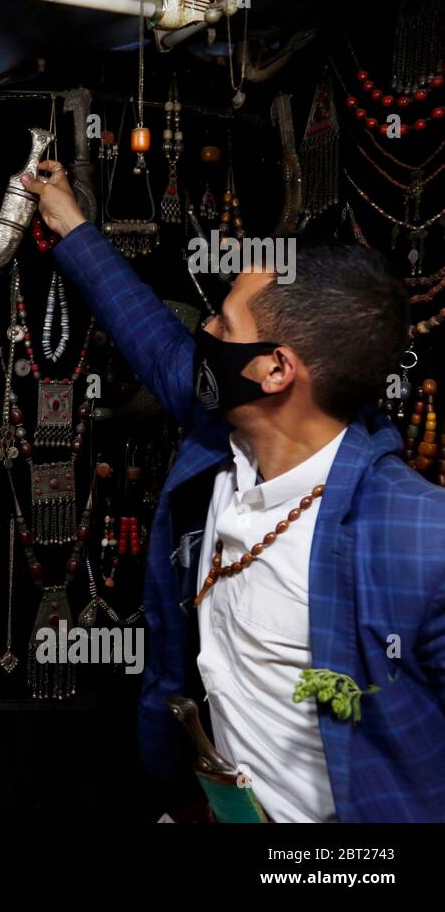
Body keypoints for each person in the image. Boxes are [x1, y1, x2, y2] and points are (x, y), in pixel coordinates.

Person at [22, 160, 445, 822]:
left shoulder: (419, 538)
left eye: (222, 324)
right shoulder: (224, 432)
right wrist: (69, 221)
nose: (204, 336)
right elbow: (152, 339)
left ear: (275, 370)